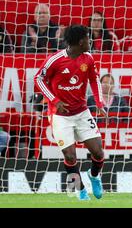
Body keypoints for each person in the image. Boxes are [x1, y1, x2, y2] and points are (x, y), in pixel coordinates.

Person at [34, 25, 107, 201]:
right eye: (88, 39)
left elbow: (94, 79)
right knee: (70, 155)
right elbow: (38, 79)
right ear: (81, 42)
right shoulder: (55, 60)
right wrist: (55, 101)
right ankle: (79, 190)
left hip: (82, 112)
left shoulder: (88, 58)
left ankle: (94, 176)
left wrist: (99, 102)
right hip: (60, 116)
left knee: (98, 153)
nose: (90, 42)